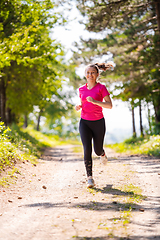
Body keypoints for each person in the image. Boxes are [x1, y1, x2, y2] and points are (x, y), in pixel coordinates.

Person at [75, 62, 113, 188]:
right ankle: (89, 178)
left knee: (97, 150)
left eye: (92, 73)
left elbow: (109, 105)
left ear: (97, 74)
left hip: (98, 122)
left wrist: (96, 102)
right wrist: (79, 106)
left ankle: (102, 154)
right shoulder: (81, 89)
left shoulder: (101, 88)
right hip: (84, 122)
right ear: (85, 75)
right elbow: (83, 103)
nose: (90, 75)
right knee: (87, 148)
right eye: (88, 73)